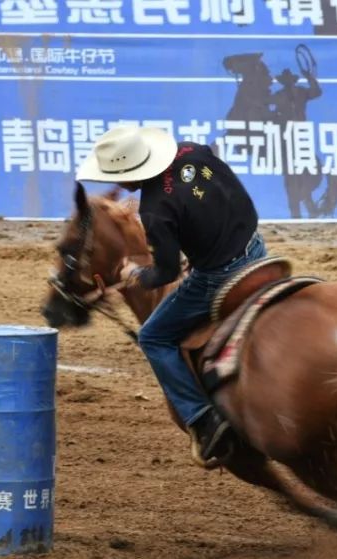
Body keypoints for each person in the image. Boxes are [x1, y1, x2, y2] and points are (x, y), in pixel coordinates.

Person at [76, 126, 266, 468]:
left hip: (218, 276)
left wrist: (136, 274)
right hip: (255, 248)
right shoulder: (191, 152)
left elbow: (165, 273)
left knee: (153, 336)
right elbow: (209, 193)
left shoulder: (154, 210)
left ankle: (203, 419)